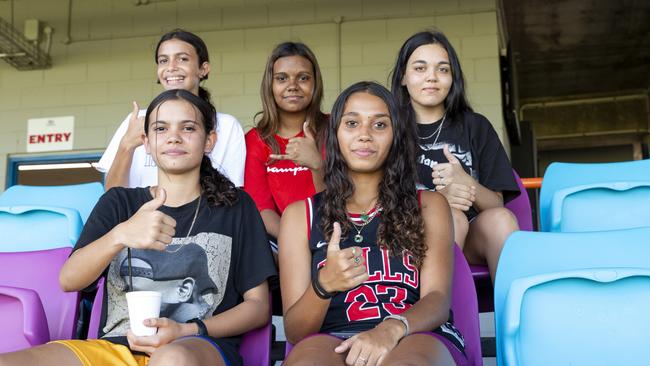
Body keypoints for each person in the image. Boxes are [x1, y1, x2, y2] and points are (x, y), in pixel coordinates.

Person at [0, 89, 276, 366]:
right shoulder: (119, 202)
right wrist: (120, 235)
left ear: (209, 141)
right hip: (116, 349)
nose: (173, 136)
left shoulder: (236, 207)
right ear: (146, 141)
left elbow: (258, 307)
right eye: (161, 128)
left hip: (196, 346)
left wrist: (186, 329)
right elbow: (69, 280)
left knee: (171, 360)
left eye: (188, 128)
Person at [279, 81, 465, 365]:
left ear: (396, 136)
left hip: (413, 332)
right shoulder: (299, 215)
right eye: (352, 123)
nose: (364, 135)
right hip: (334, 339)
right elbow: (295, 331)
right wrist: (324, 285)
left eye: (379, 125)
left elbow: (438, 298)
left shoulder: (428, 204)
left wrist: (391, 328)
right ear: (335, 135)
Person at [390, 30, 520, 281]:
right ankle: (437, 315)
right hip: (405, 235)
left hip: (469, 235)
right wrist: (439, 201)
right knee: (452, 217)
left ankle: (512, 316)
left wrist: (467, 183)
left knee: (501, 219)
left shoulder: (475, 126)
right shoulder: (388, 129)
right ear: (403, 77)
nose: (432, 77)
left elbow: (496, 205)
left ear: (453, 77)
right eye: (420, 68)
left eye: (442, 69)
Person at [96, 29, 246, 189]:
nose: (171, 67)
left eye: (182, 59)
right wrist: (127, 144)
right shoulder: (137, 120)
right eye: (163, 60)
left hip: (202, 213)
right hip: (140, 214)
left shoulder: (226, 125)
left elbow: (233, 192)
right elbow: (112, 195)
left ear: (203, 69)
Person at [243, 41, 328, 251]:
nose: (293, 85)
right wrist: (297, 240)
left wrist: (317, 164)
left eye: (303, 78)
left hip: (335, 231)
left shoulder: (335, 129)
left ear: (315, 84)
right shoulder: (256, 140)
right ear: (270, 85)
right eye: (282, 78)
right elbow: (262, 209)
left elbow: (347, 195)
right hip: (283, 239)